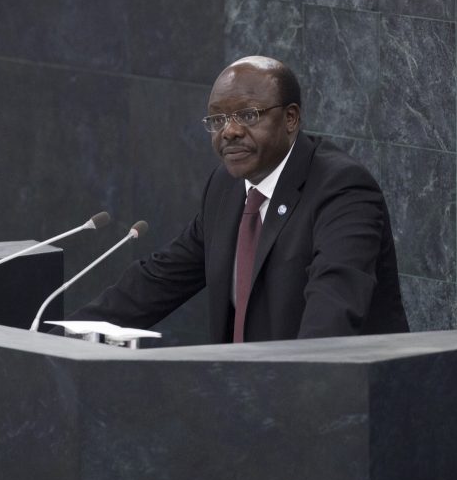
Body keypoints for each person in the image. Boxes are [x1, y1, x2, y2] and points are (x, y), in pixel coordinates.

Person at [73, 55, 409, 343]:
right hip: (247, 396)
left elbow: (333, 309)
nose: (229, 131)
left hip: (337, 401)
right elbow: (157, 282)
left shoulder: (342, 189)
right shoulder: (226, 187)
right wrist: (61, 340)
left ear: (290, 118)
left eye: (248, 115)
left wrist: (293, 389)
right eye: (217, 120)